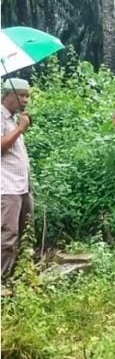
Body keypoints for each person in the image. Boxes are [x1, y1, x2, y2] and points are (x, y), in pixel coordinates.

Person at [1, 78, 33, 281]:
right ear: (8, 96)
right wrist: (20, 129)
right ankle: (2, 280)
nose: (26, 100)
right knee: (8, 235)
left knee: (26, 231)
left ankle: (20, 277)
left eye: (27, 95)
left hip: (22, 186)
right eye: (21, 95)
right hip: (7, 187)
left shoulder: (13, 118)